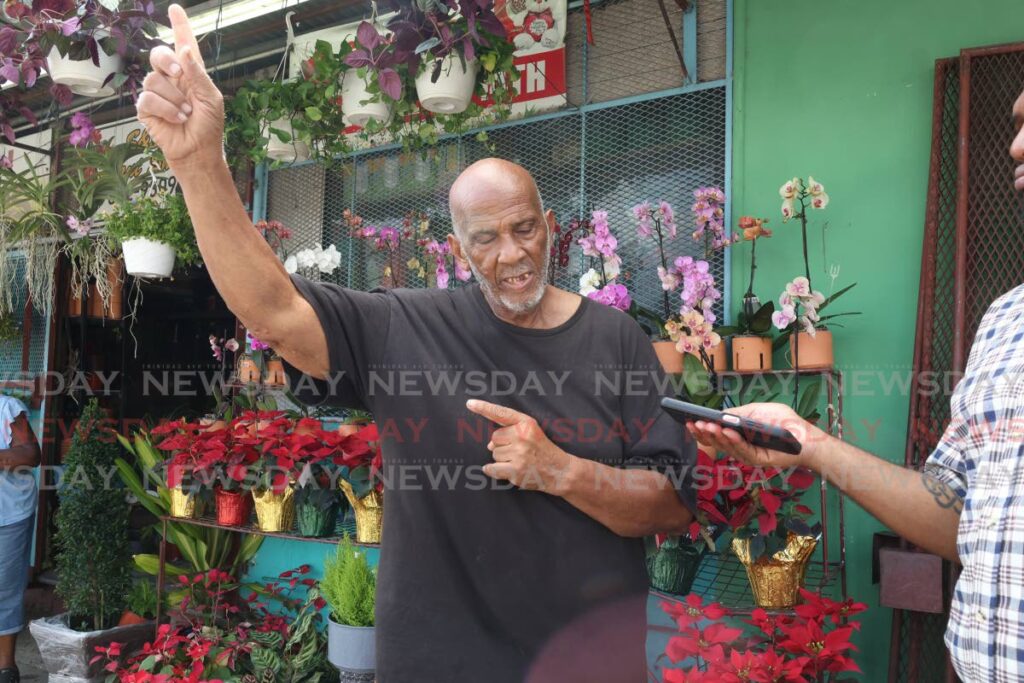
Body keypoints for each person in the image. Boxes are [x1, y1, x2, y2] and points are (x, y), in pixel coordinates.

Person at [136, 6, 697, 681]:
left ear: (551, 227)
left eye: (523, 228)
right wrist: (200, 164)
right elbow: (275, 310)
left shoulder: (618, 341)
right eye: (486, 238)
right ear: (458, 248)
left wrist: (560, 469)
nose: (512, 253)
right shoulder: (405, 327)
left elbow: (669, 501)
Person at [688, 86, 1024, 683]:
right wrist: (810, 444)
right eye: (1018, 124)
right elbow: (960, 521)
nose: (1016, 146)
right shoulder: (1005, 322)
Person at [0, 395, 40, 683]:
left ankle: (6, 668)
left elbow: (30, 454)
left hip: (9, 514)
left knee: (5, 590)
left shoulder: (7, 408)